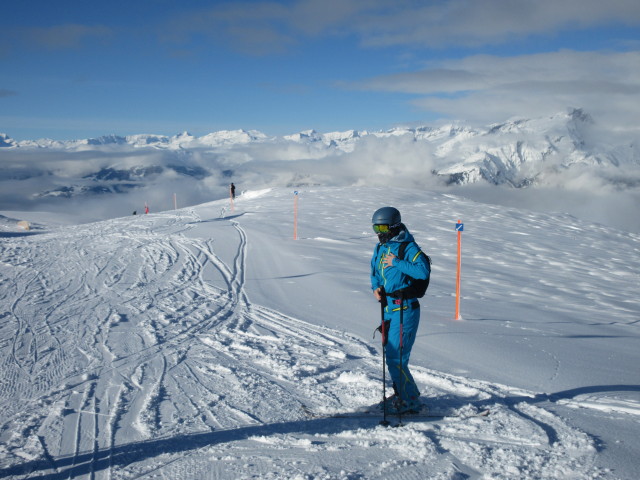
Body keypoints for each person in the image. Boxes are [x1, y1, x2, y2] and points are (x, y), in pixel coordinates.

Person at [370, 206, 430, 414]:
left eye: (382, 227)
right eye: (375, 227)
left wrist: (396, 262)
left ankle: (411, 402)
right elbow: (374, 271)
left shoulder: (408, 247)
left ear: (394, 226)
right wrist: (376, 287)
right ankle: (403, 394)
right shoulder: (381, 248)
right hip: (389, 308)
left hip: (405, 309)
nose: (379, 232)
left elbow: (423, 271)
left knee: (397, 358)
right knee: (392, 355)